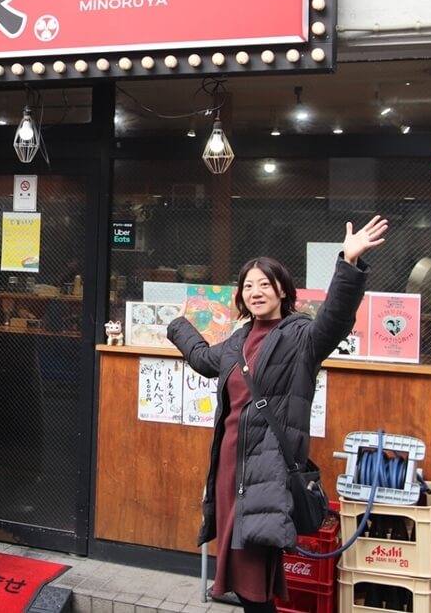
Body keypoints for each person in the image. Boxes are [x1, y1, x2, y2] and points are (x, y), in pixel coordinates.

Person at [166, 215, 389, 613]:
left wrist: (349, 265)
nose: (255, 292)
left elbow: (335, 319)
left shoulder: (300, 335)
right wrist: (177, 324)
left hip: (267, 471)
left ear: (283, 290)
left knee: (254, 576)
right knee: (247, 573)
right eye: (248, 285)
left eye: (264, 284)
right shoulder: (237, 340)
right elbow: (203, 359)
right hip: (232, 468)